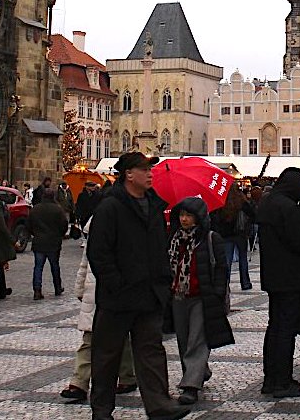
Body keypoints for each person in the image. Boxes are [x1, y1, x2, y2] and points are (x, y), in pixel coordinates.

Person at [87, 153, 189, 420]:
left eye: (150, 168)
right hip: (118, 296)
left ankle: (159, 405)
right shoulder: (110, 206)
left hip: (149, 293)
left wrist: (163, 281)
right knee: (107, 355)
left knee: (151, 351)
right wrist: (115, 283)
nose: (150, 173)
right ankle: (101, 410)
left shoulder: (154, 206)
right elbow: (99, 252)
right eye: (144, 169)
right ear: (128, 174)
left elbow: (159, 247)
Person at [256, 166, 300, 399]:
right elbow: (299, 243)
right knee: (286, 330)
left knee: (274, 327)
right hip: (291, 277)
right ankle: (283, 381)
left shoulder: (267, 203)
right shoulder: (288, 208)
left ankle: (270, 379)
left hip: (272, 276)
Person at [61, 215, 138, 403]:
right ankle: (79, 382)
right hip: (94, 293)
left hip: (117, 293)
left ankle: (127, 376)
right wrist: (80, 288)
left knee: (122, 338)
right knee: (89, 338)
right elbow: (84, 263)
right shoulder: (97, 231)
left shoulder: (128, 229)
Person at [167, 196, 233, 405]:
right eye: (182, 215)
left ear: (199, 218)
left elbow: (221, 268)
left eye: (189, 216)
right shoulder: (173, 239)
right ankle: (198, 370)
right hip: (177, 295)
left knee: (196, 339)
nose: (184, 219)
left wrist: (217, 293)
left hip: (201, 296)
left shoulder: (210, 239)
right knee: (184, 340)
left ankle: (191, 385)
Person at [211, 187, 255, 292]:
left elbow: (215, 219)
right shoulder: (241, 201)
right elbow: (252, 214)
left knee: (227, 261)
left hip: (226, 235)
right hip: (240, 234)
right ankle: (245, 283)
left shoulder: (221, 202)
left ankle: (226, 284)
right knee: (243, 259)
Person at [27, 188, 68, 299]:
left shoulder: (35, 209)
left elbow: (29, 225)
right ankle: (57, 287)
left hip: (39, 241)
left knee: (38, 267)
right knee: (55, 266)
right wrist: (60, 234)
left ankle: (37, 289)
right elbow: (64, 225)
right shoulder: (58, 210)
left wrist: (35, 233)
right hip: (53, 241)